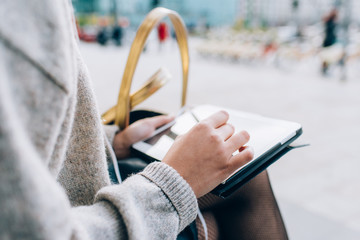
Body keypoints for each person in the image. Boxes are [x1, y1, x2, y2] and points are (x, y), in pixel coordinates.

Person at [0, 1, 287, 239]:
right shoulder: (23, 20)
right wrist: (172, 187)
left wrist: (112, 142)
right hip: (84, 215)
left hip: (76, 194)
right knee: (242, 181)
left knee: (240, 179)